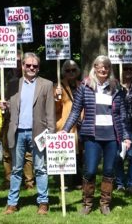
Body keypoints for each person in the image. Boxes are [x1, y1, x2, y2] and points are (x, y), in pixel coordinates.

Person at [62, 55, 131, 215]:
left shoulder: (116, 88)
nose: (103, 69)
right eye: (100, 66)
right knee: (90, 170)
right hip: (91, 136)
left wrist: (126, 135)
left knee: (109, 170)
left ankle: (105, 203)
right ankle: (87, 203)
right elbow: (75, 111)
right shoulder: (85, 87)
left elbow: (121, 115)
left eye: (106, 67)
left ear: (109, 70)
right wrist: (65, 129)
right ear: (94, 67)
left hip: (112, 137)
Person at [0, 52, 56, 215]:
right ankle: (12, 203)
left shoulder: (46, 84)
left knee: (40, 168)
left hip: (39, 133)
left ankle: (43, 202)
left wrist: (50, 134)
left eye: (35, 65)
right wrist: (4, 107)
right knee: (16, 169)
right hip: (18, 133)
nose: (31, 68)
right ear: (22, 66)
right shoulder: (12, 85)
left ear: (38, 68)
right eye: (28, 65)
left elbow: (50, 112)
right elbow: (12, 109)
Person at [0, 51, 34, 190]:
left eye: (19, 62)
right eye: (13, 63)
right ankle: (9, 181)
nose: (16, 65)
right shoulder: (6, 79)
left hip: (26, 122)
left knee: (28, 154)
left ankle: (29, 182)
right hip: (9, 121)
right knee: (7, 152)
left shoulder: (32, 80)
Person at [54, 60, 83, 190]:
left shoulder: (82, 85)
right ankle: (63, 181)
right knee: (65, 152)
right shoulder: (57, 87)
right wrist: (57, 98)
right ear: (63, 72)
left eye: (73, 70)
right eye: (67, 70)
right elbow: (53, 109)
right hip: (65, 124)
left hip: (81, 124)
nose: (71, 73)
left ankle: (78, 180)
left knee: (80, 153)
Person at [115, 63, 132, 195]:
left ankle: (131, 184)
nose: (129, 71)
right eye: (126, 68)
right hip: (120, 124)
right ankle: (120, 183)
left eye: (131, 68)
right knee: (120, 154)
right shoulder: (115, 85)